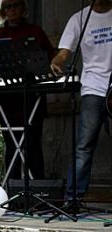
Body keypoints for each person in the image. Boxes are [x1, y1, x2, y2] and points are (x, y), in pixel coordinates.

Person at [0, 0, 55, 180]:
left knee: (33, 145)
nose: (12, 10)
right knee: (12, 146)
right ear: (3, 11)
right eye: (8, 7)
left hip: (31, 99)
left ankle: (38, 190)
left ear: (23, 8)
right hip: (7, 102)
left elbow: (51, 61)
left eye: (16, 5)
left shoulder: (35, 32)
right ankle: (13, 192)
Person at [51, 0, 112, 207]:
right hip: (93, 87)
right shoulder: (80, 19)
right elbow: (64, 53)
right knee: (84, 145)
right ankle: (73, 198)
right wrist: (56, 62)